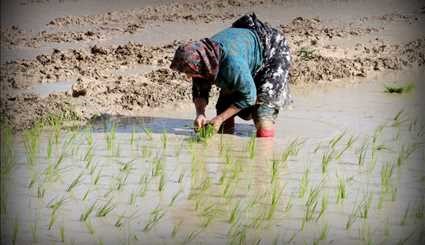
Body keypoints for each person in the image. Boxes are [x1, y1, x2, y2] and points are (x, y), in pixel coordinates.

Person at [170, 13, 291, 137]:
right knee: (223, 109)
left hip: (272, 51)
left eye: (189, 73)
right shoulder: (202, 58)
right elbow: (200, 90)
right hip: (243, 51)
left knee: (262, 115)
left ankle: (265, 149)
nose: (188, 77)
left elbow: (249, 97)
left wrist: (219, 119)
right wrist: (200, 114)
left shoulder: (232, 64)